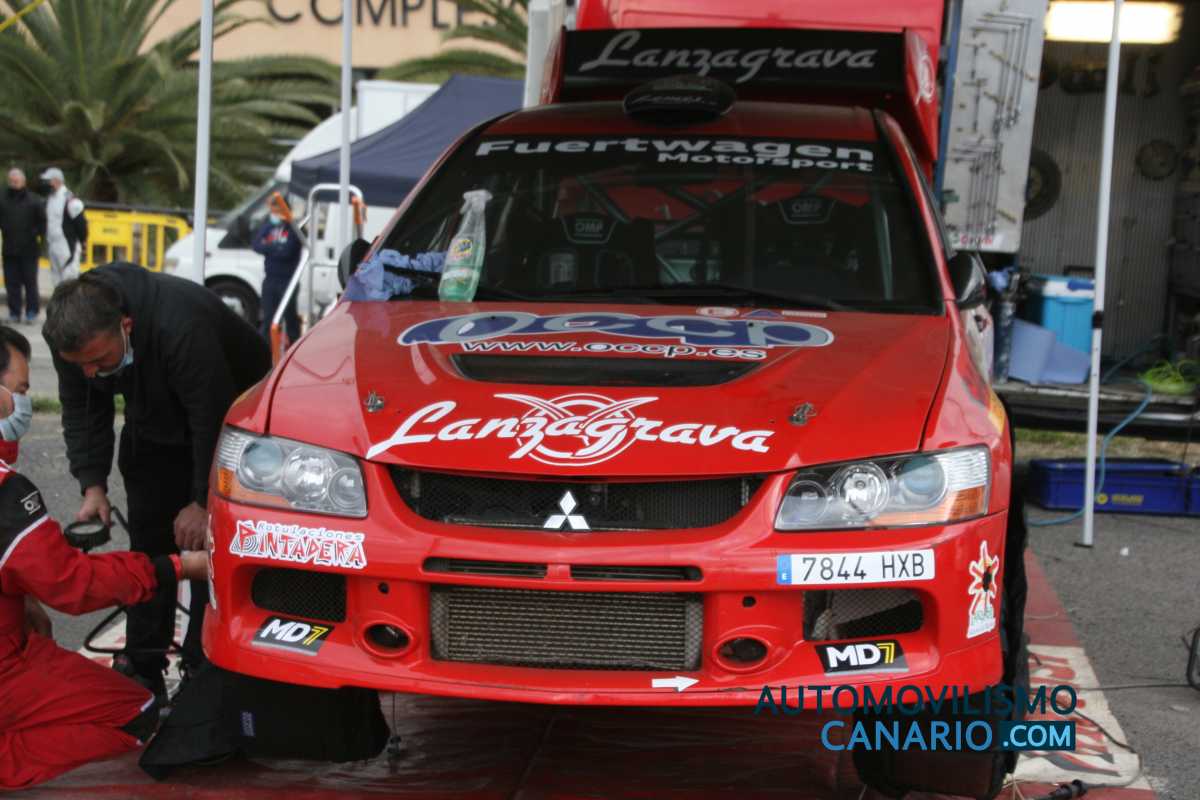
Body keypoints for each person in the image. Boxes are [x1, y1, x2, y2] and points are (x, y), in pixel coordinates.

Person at [42, 264, 272, 699]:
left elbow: (211, 416)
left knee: (211, 549)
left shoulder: (180, 326)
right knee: (148, 547)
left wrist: (202, 501)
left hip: (233, 420)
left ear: (125, 326)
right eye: (81, 364)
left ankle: (206, 664)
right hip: (154, 422)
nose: (90, 371)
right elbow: (82, 407)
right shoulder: (72, 336)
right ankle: (143, 662)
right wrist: (93, 485)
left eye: (99, 361)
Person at [0, 323, 209, 791]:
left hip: (13, 641)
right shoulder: (6, 493)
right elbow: (72, 584)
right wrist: (175, 567)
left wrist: (22, 598)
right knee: (135, 712)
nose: (25, 403)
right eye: (21, 391)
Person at [251, 194, 302, 345]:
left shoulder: (293, 228)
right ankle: (264, 349)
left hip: (288, 280)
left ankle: (295, 345)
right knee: (268, 318)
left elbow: (287, 252)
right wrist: (276, 247)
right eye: (272, 210)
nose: (273, 214)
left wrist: (268, 247)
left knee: (290, 318)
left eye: (276, 210)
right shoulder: (268, 226)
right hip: (270, 279)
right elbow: (256, 245)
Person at [0, 168, 46, 324]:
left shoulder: (34, 200)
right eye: (11, 181)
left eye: (16, 181)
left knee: (30, 282)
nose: (14, 184)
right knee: (11, 283)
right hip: (9, 249)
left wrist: (39, 239)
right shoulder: (3, 200)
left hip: (29, 250)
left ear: (23, 182)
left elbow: (42, 223)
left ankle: (32, 311)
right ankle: (14, 312)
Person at [40, 167, 88, 287]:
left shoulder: (70, 200)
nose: (46, 184)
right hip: (53, 245)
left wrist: (83, 240)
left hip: (67, 246)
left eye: (48, 181)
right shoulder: (50, 199)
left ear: (57, 181)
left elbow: (81, 223)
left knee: (69, 282)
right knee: (56, 282)